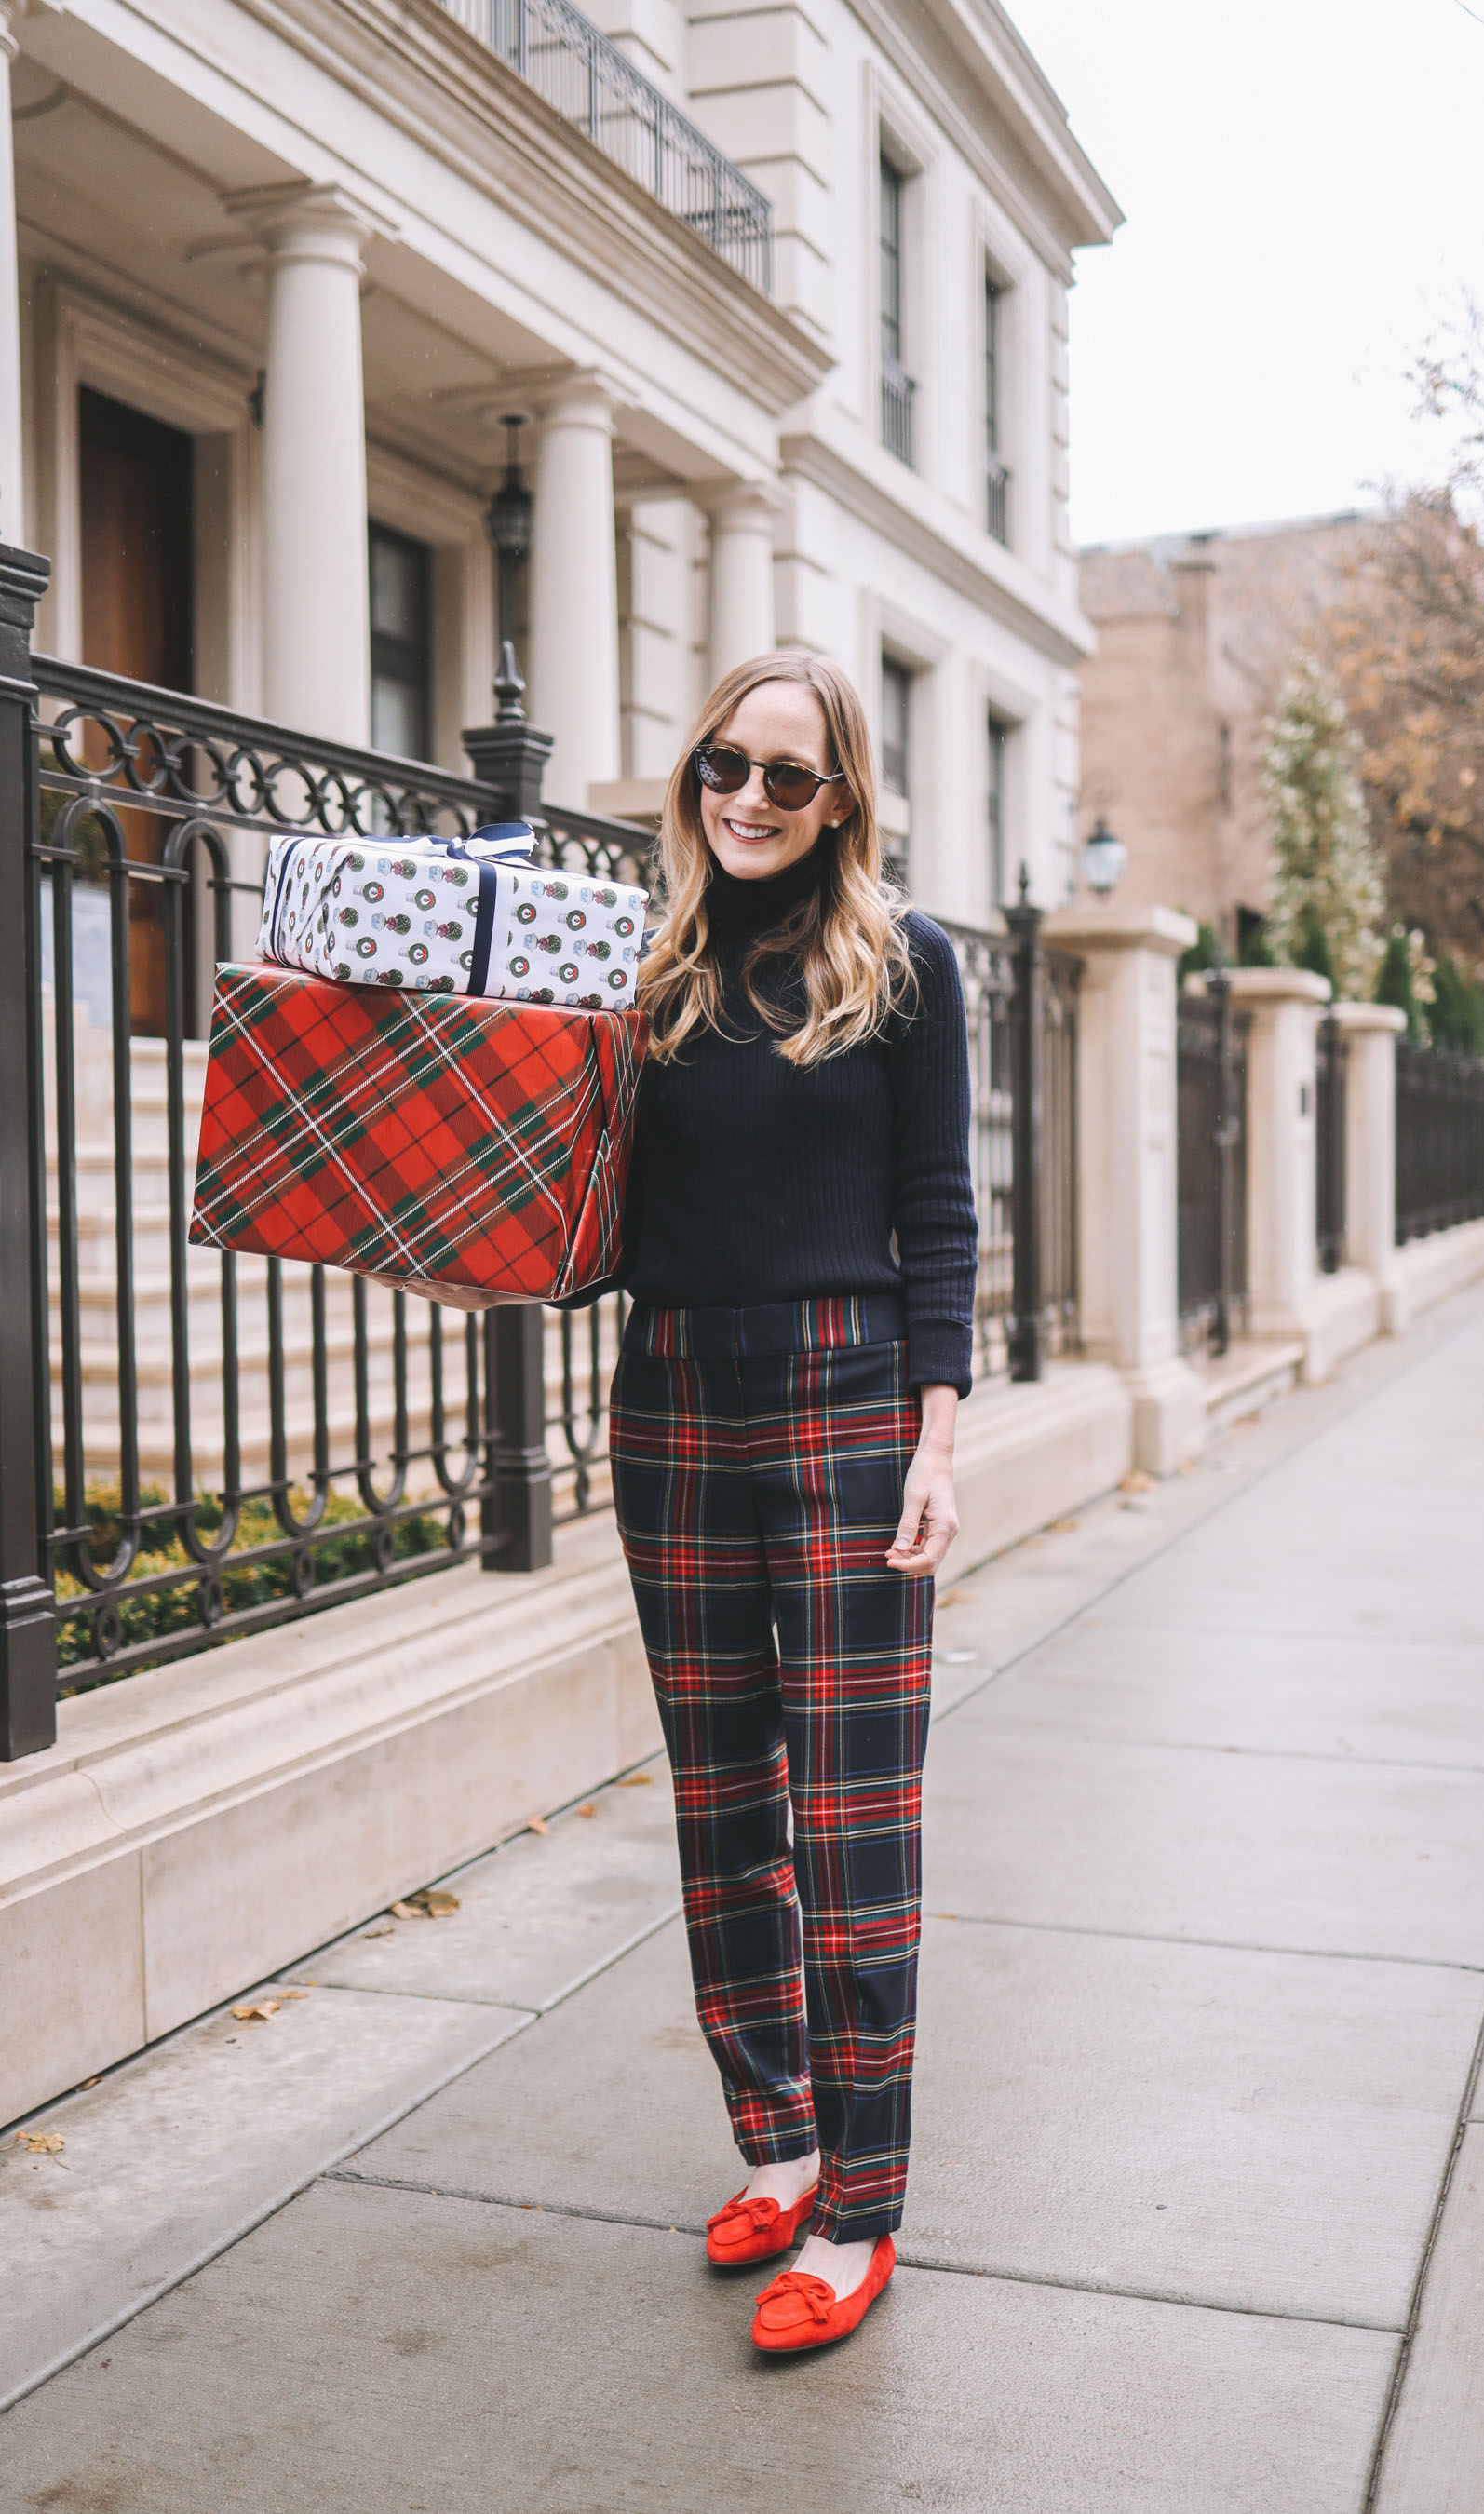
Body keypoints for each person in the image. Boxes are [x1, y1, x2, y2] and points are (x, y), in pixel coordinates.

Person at [609, 652, 978, 2354]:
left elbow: (939, 1213)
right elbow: (585, 1211)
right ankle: (781, 2135)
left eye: (786, 777)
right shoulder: (649, 971)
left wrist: (937, 1434)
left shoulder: (905, 966)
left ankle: (865, 2202)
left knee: (849, 1822)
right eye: (721, 767)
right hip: (673, 1394)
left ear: (842, 801)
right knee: (721, 1809)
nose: (746, 801)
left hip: (846, 1395)